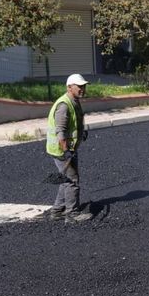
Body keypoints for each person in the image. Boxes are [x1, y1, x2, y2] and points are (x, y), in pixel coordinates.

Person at [44, 74, 93, 222]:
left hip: (69, 148)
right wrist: (65, 151)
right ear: (69, 87)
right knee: (72, 180)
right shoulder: (64, 105)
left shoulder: (74, 101)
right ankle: (72, 214)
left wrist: (81, 132)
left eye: (83, 86)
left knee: (66, 178)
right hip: (61, 150)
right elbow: (60, 131)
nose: (82, 89)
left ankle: (57, 211)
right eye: (79, 86)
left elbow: (74, 123)